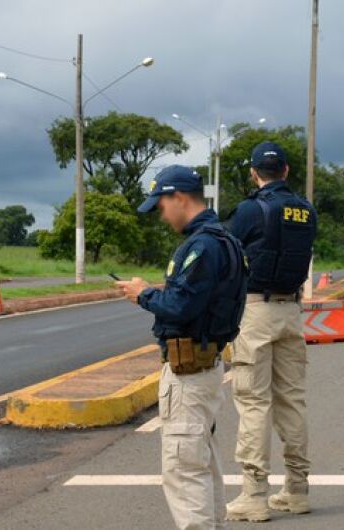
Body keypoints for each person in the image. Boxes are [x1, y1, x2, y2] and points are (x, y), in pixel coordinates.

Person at [116, 165, 247, 530]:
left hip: (189, 373)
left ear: (179, 197)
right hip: (207, 366)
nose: (160, 212)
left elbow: (179, 307)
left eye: (161, 203)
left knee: (184, 471)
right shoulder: (225, 240)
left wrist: (143, 293)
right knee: (201, 464)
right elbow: (195, 299)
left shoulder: (201, 246)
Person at [225, 141, 317, 522]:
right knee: (292, 400)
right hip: (292, 311)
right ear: (287, 170)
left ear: (253, 172)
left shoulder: (250, 210)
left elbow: (228, 254)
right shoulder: (306, 211)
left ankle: (254, 494)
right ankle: (297, 489)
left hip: (256, 311)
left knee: (253, 401)